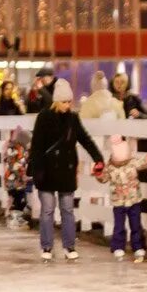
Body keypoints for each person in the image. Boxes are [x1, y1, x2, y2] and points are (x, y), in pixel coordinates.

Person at [28, 78, 105, 262]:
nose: (68, 105)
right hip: (46, 171)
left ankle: (69, 245)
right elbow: (36, 145)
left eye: (70, 101)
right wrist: (35, 169)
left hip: (66, 170)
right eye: (64, 101)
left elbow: (85, 139)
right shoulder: (44, 117)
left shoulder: (72, 119)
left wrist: (98, 158)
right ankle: (46, 246)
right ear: (56, 101)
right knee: (47, 210)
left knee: (67, 209)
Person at [103, 136, 147, 262]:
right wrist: (98, 172)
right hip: (118, 201)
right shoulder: (110, 167)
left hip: (134, 199)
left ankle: (138, 246)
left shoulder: (132, 163)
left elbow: (144, 162)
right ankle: (118, 246)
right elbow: (103, 178)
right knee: (119, 225)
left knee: (136, 224)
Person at [2, 126, 31, 227]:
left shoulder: (9, 146)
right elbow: (18, 165)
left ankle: (9, 216)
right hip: (17, 180)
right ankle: (15, 220)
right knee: (19, 199)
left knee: (12, 197)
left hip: (9, 179)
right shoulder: (19, 150)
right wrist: (24, 176)